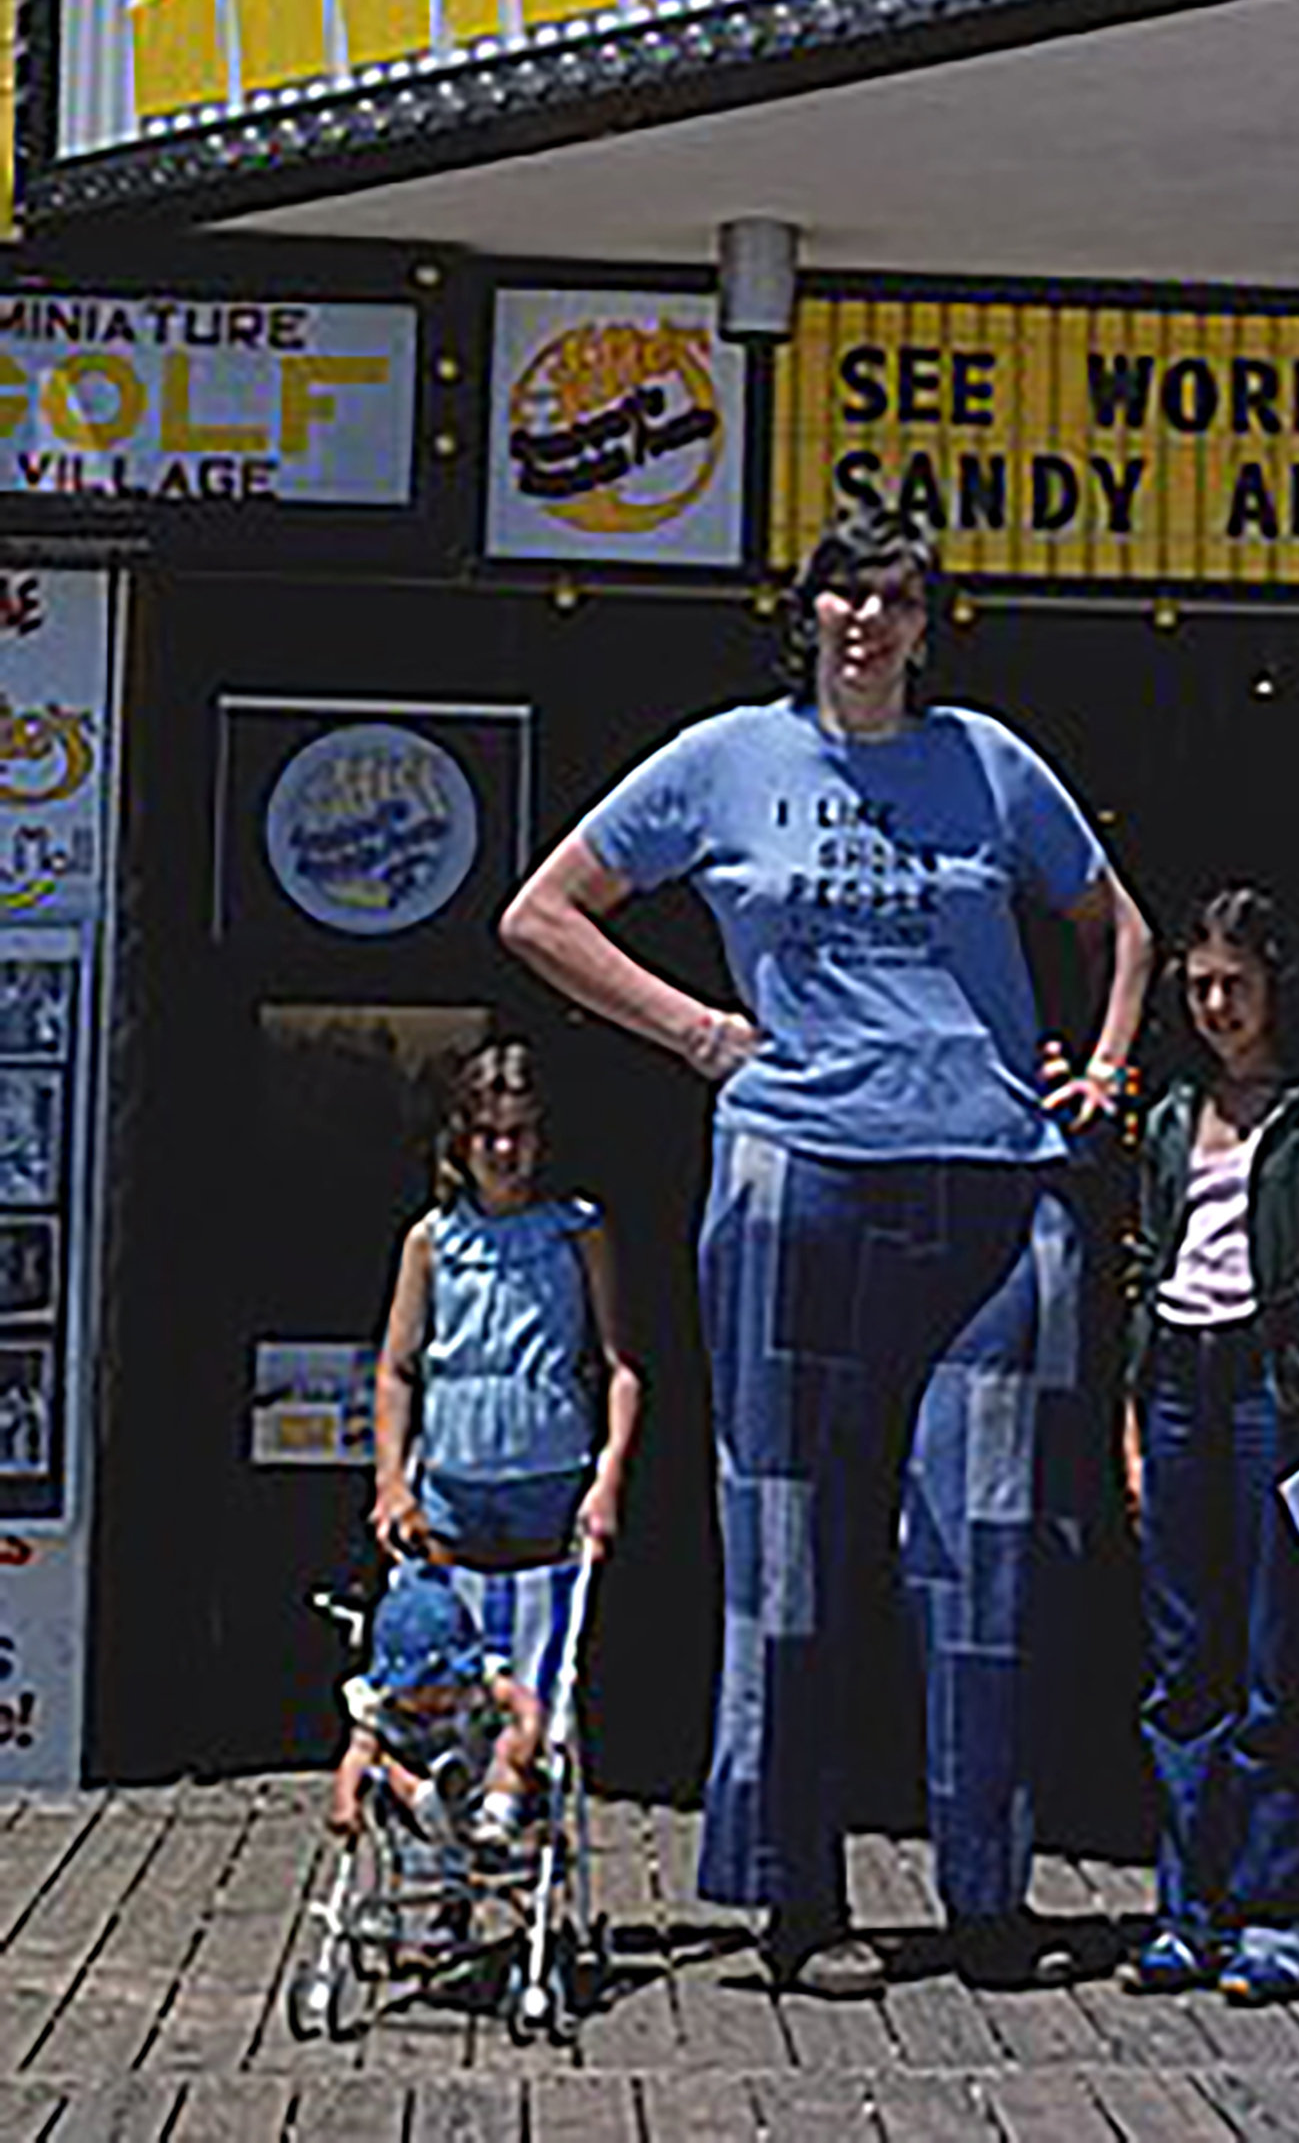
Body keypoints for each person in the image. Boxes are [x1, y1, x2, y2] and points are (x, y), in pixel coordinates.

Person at [500, 502, 1153, 1999]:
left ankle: (988, 1892)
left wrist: (1105, 1074)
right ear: (804, 615)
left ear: (931, 622)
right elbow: (541, 913)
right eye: (843, 594)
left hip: (996, 1191)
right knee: (790, 1544)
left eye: (896, 597)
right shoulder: (728, 757)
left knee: (991, 1550)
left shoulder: (991, 761)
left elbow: (1122, 925)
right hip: (797, 1181)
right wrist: (701, 1032)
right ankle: (798, 1901)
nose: (867, 618)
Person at [1120, 886, 1299, 2005]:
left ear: (1276, 984)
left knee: (1278, 1657)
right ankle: (1190, 1911)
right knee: (1184, 1663)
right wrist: (1126, 1422)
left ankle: (1282, 1914)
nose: (1216, 1004)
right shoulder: (1174, 1112)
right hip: (1179, 1376)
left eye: (1235, 983)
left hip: (1279, 1391)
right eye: (1199, 986)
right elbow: (1140, 1272)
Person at [371, 1037, 641, 1571]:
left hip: (550, 1478)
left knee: (541, 1642)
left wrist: (609, 1482)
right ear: (461, 1141)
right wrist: (392, 1485)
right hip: (451, 1481)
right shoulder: (431, 1239)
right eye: (486, 1135)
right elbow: (396, 1371)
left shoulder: (577, 1230)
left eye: (518, 1134)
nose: (502, 1151)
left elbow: (622, 1369)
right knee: (447, 1636)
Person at [330, 1563, 545, 1856]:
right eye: (417, 1692)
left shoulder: (478, 1683)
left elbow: (522, 1699)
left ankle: (497, 1815)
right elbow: (356, 1756)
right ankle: (431, 1805)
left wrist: (528, 1733)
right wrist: (345, 1802)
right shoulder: (379, 1703)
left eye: (444, 1690)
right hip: (419, 1792)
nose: (433, 1702)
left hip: (482, 1777)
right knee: (382, 1760)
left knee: (507, 1745)